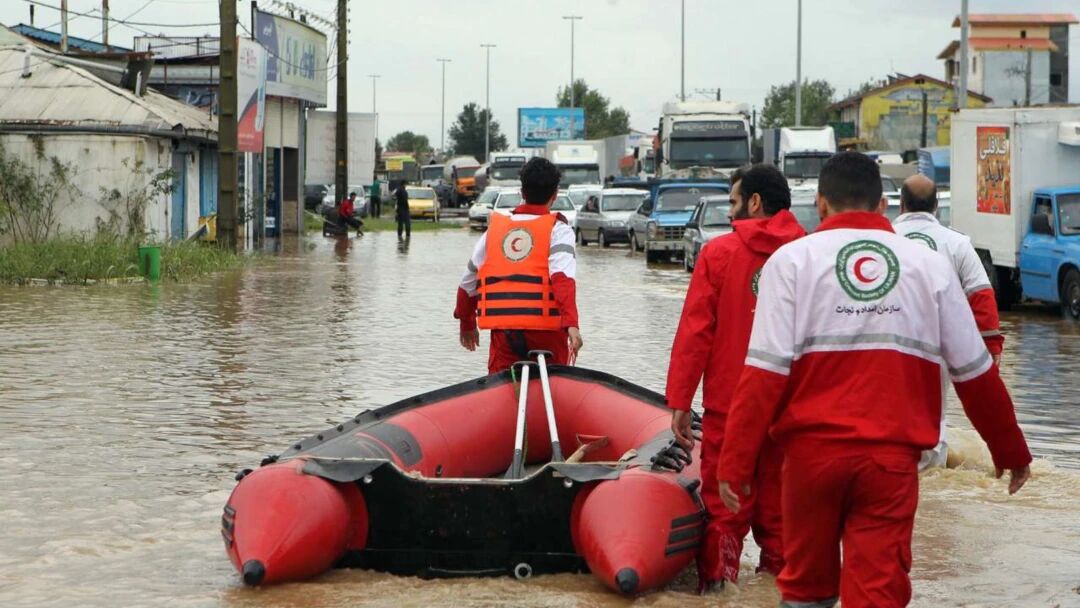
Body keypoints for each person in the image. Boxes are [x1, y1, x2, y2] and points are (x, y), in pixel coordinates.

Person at [716, 152, 1031, 608]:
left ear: (820, 204)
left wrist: (736, 462)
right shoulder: (931, 266)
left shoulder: (790, 262)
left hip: (809, 462)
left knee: (805, 590)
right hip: (891, 465)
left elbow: (764, 371)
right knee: (878, 591)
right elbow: (975, 371)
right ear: (882, 205)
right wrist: (1010, 449)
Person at [666, 164, 805, 591]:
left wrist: (679, 402)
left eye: (732, 201)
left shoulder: (719, 254)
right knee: (783, 523)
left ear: (755, 202)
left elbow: (696, 333)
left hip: (730, 409)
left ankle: (718, 593)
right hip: (793, 412)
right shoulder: (810, 253)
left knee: (724, 516)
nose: (729, 213)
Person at [893, 174, 1004, 470]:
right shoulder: (957, 244)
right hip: (937, 345)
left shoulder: (883, 239)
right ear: (936, 206)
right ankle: (932, 475)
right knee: (933, 413)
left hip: (884, 339)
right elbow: (981, 295)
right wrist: (991, 345)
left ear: (901, 204)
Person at [454, 157, 584, 373]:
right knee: (552, 392)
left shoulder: (494, 231)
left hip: (505, 333)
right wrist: (572, 324)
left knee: (500, 391)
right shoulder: (559, 230)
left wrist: (467, 323)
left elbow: (468, 282)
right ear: (555, 194)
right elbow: (562, 279)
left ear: (522, 192)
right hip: (547, 334)